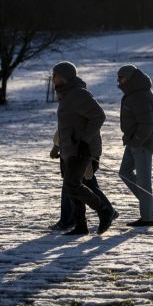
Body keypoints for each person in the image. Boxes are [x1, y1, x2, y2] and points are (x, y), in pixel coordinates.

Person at [52, 61, 117, 236]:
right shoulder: (66, 95)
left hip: (81, 149)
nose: (53, 79)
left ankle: (105, 211)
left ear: (64, 77)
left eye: (56, 75)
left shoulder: (78, 94)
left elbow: (98, 116)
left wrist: (83, 139)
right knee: (72, 187)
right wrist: (57, 145)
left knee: (73, 185)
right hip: (69, 149)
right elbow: (68, 125)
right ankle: (81, 226)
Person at [116, 64, 153, 227]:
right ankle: (151, 201)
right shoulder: (134, 93)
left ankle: (147, 218)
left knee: (144, 182)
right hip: (134, 141)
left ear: (130, 78)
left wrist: (137, 141)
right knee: (124, 172)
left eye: (121, 78)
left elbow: (147, 124)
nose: (119, 81)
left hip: (142, 143)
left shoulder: (140, 95)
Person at [49, 130, 116, 231]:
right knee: (86, 183)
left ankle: (68, 220)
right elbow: (65, 127)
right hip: (75, 148)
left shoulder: (81, 114)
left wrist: (57, 146)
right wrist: (57, 145)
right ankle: (108, 211)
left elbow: (72, 127)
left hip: (80, 150)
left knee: (71, 184)